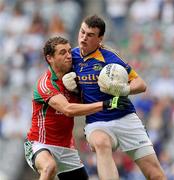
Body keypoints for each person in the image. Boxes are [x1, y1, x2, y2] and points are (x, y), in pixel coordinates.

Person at [62, 15, 166, 180]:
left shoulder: (110, 58)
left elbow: (141, 84)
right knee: (101, 143)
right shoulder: (70, 57)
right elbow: (57, 82)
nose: (83, 37)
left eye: (90, 35)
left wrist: (123, 89)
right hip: (97, 122)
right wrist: (68, 87)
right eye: (82, 32)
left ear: (100, 38)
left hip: (125, 117)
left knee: (156, 175)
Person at [24, 36, 131, 180]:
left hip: (67, 148)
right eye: (62, 53)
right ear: (50, 58)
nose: (69, 56)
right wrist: (107, 104)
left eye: (69, 51)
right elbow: (68, 109)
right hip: (40, 144)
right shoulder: (46, 84)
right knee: (49, 167)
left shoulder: (76, 78)